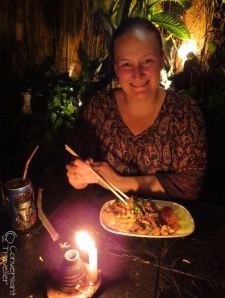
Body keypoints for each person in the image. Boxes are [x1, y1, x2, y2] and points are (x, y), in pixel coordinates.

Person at [66, 17, 207, 200]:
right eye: (126, 64)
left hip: (167, 223)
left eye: (147, 61)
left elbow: (189, 186)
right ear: (116, 68)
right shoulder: (99, 107)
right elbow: (79, 160)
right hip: (107, 219)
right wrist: (78, 177)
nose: (137, 74)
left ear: (161, 59)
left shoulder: (184, 112)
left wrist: (118, 182)